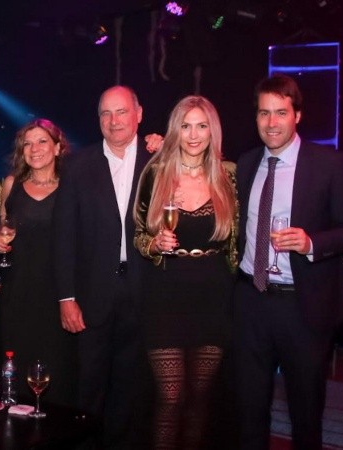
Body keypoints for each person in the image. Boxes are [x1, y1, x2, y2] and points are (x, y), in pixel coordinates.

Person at [234, 74, 343, 450]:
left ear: (297, 115)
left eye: (280, 112)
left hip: (303, 306)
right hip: (250, 301)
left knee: (305, 413)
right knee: (248, 410)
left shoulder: (329, 164)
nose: (271, 122)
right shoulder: (246, 163)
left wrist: (311, 243)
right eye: (264, 113)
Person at [133, 95, 237, 449]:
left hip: (213, 298)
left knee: (198, 399)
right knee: (171, 396)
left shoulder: (229, 175)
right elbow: (138, 234)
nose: (193, 135)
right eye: (186, 126)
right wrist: (154, 244)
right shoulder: (156, 172)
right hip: (165, 297)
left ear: (213, 130)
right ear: (175, 130)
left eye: (201, 126)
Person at [52, 85, 152, 449]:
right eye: (106, 113)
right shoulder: (78, 165)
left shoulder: (159, 161)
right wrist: (66, 297)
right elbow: (64, 235)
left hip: (145, 295)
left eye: (121, 111)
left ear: (138, 114)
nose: (114, 120)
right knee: (89, 389)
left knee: (133, 390)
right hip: (92, 297)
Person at [0, 118, 76, 406]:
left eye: (42, 141)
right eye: (27, 143)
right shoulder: (12, 184)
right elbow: (2, 227)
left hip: (58, 295)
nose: (34, 148)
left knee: (58, 370)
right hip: (17, 292)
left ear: (57, 147)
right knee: (14, 370)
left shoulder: (72, 186)